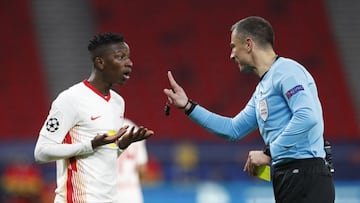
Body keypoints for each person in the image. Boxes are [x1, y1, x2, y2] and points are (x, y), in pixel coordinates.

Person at [163, 16, 335, 203]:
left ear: (248, 44)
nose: (231, 54)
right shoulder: (263, 88)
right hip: (288, 177)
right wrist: (188, 106)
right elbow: (233, 129)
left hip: (306, 175)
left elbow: (307, 117)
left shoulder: (287, 71)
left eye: (233, 46)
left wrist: (269, 152)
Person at [34, 32, 154, 203]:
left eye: (128, 57)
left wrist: (122, 146)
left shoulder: (118, 103)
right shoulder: (70, 99)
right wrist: (89, 144)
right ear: (100, 62)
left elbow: (103, 156)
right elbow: (41, 152)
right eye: (120, 57)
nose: (129, 63)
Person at [117, 118, 148, 203]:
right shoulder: (134, 128)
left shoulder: (104, 128)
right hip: (131, 191)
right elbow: (142, 168)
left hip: (108, 191)